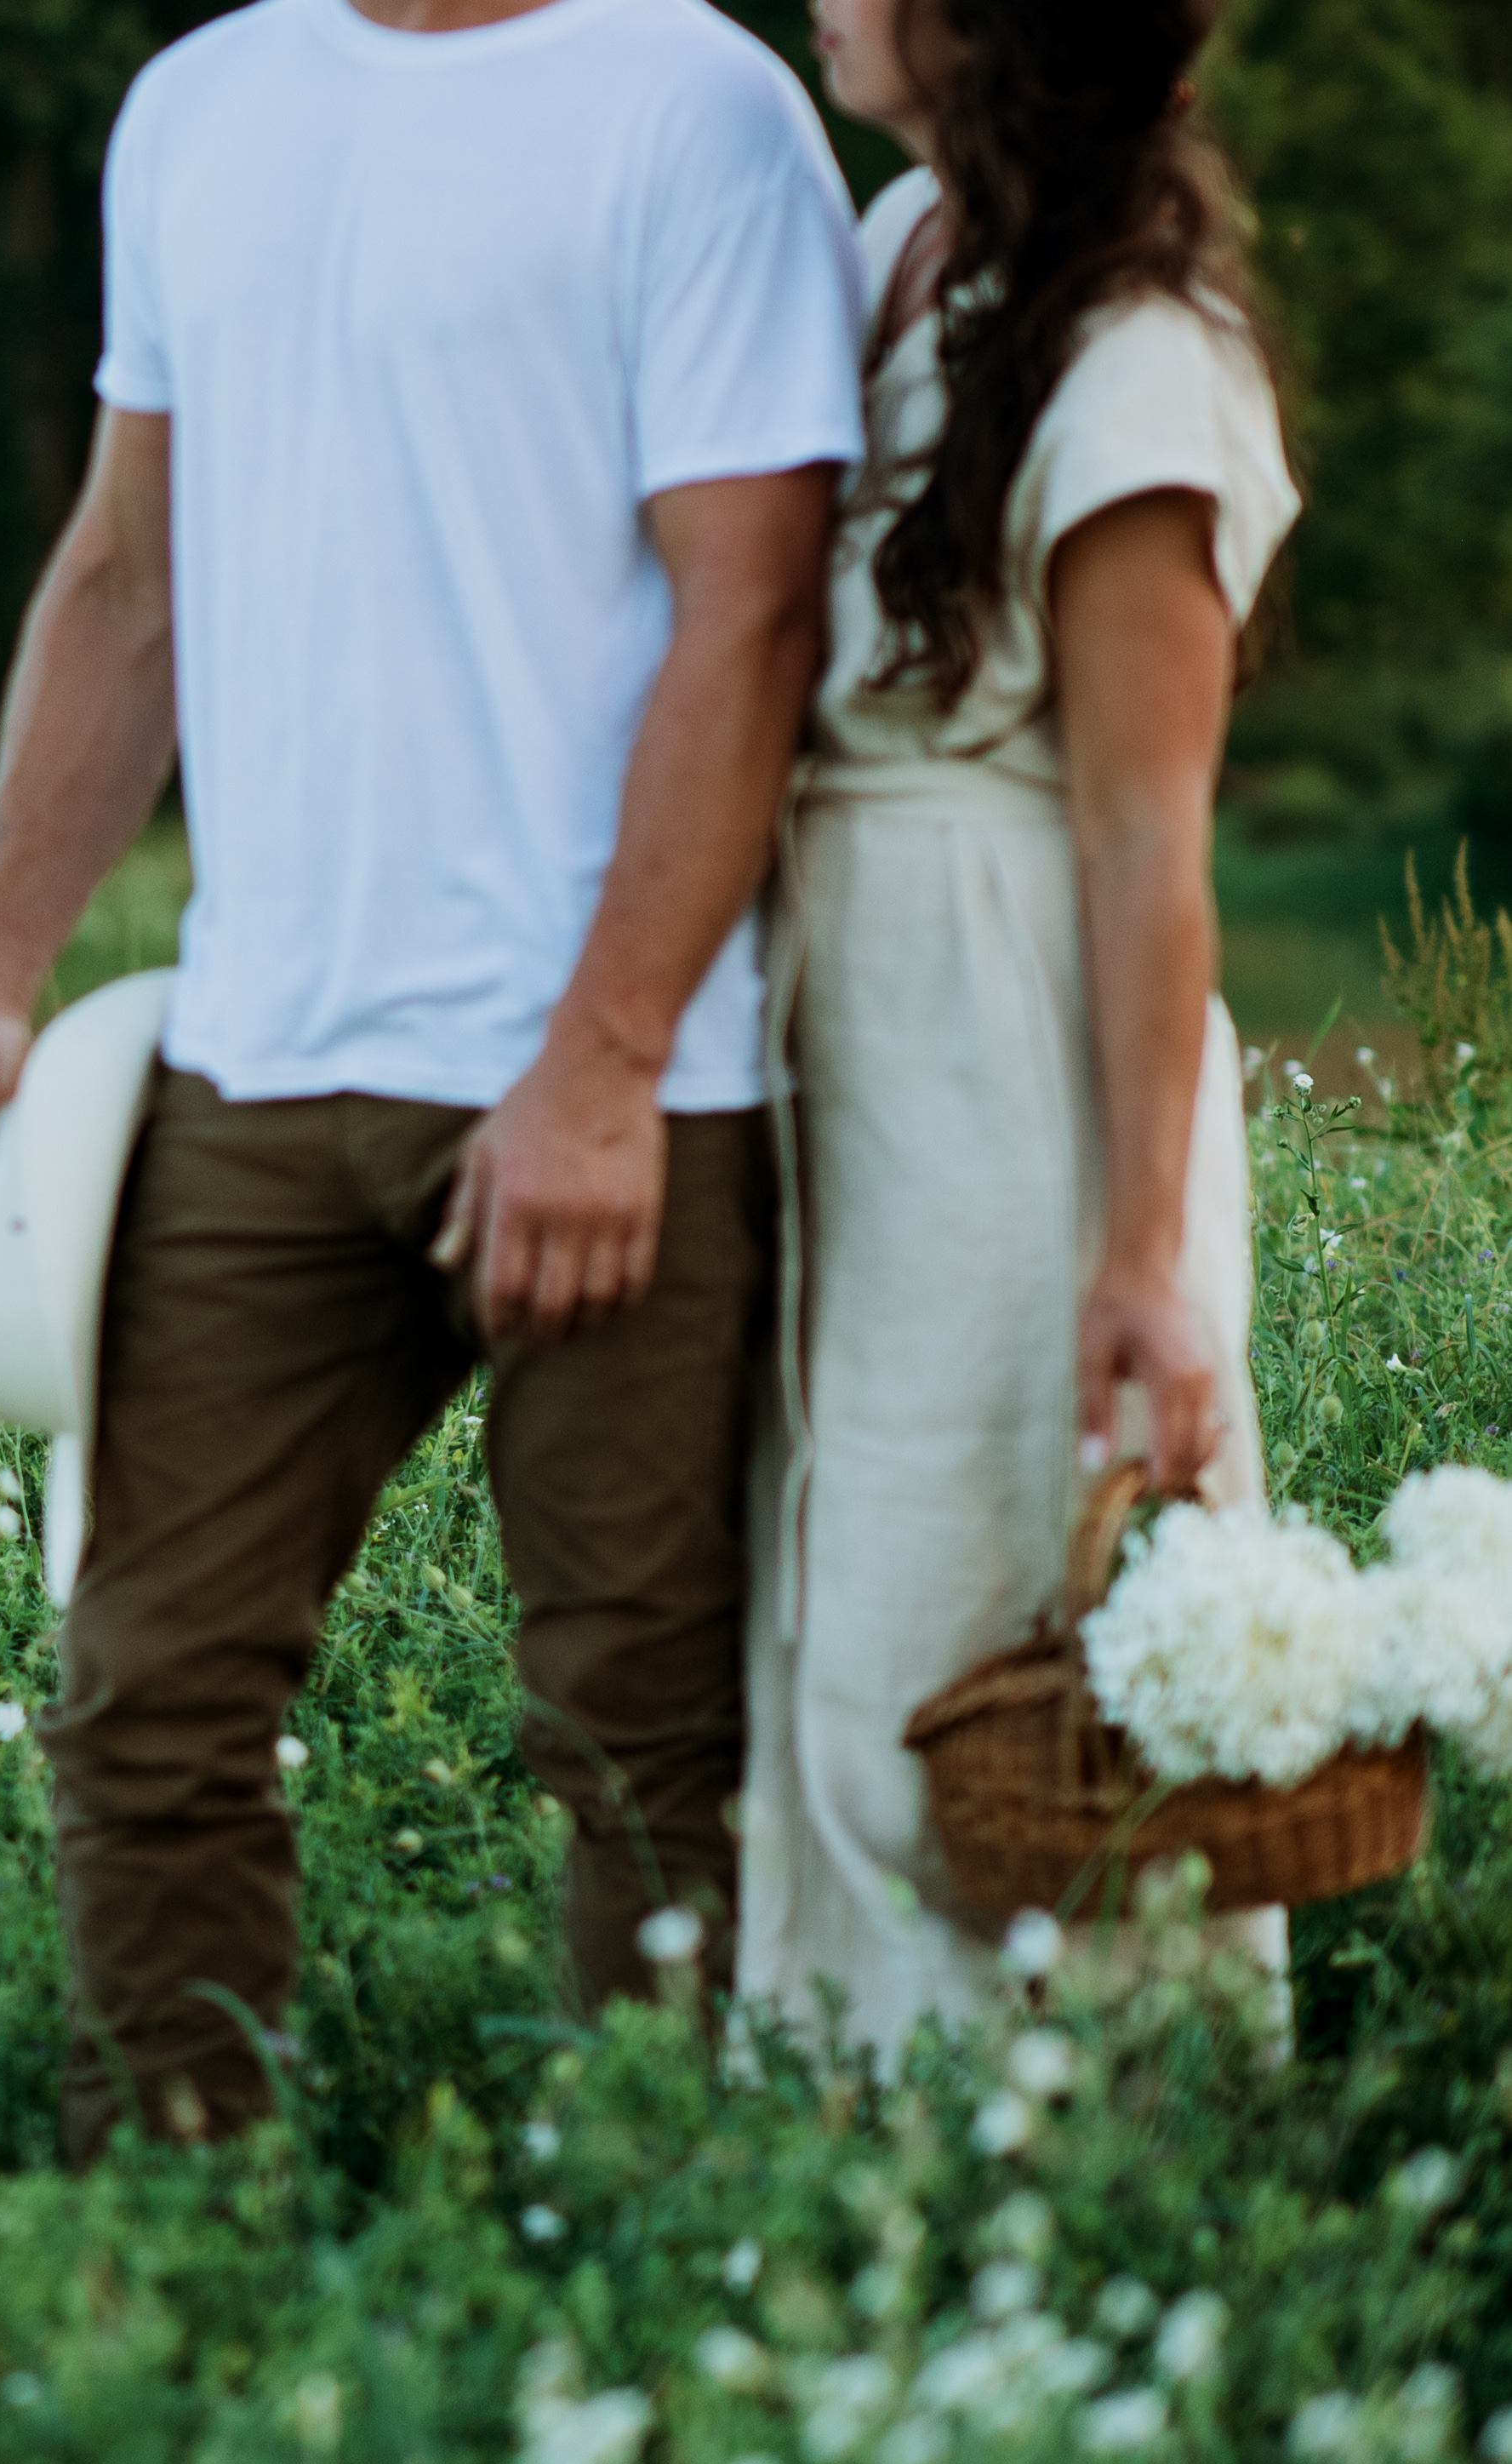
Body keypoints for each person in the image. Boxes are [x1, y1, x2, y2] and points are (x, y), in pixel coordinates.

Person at [0, 0, 866, 2160]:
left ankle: (650, 2228)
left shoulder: (691, 101)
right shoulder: (197, 104)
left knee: (636, 1734)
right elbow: (124, 575)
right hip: (253, 1064)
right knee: (147, 1694)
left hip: (620, 1087)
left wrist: (599, 1063)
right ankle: (169, 2200)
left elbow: (751, 611)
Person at [742, 0, 1298, 2047]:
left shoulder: (1139, 349)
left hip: (1010, 1052)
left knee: (990, 1578)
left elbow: (1146, 836)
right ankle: (838, 2108)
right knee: (836, 1561)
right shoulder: (905, 240)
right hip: (848, 1018)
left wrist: (1139, 1259)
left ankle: (1089, 2154)